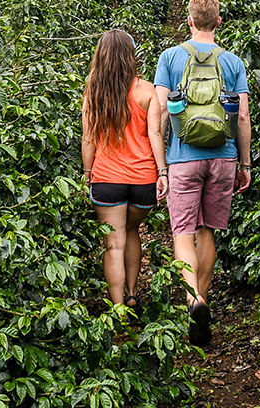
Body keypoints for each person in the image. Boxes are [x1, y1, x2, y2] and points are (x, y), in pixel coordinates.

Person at [153, 0, 252, 347]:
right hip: (223, 156)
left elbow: (162, 113)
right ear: (219, 22)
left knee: (182, 232)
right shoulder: (233, 62)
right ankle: (204, 300)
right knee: (208, 230)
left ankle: (192, 300)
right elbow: (241, 116)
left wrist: (161, 166)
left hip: (183, 158)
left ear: (189, 21)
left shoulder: (170, 57)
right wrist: (245, 163)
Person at [81, 28, 165, 311]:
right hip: (143, 179)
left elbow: (88, 138)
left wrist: (87, 174)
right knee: (132, 230)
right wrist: (162, 172)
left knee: (113, 244)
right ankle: (132, 293)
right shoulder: (146, 90)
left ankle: (118, 310)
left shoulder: (93, 91)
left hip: (107, 178)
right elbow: (155, 134)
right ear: (131, 56)